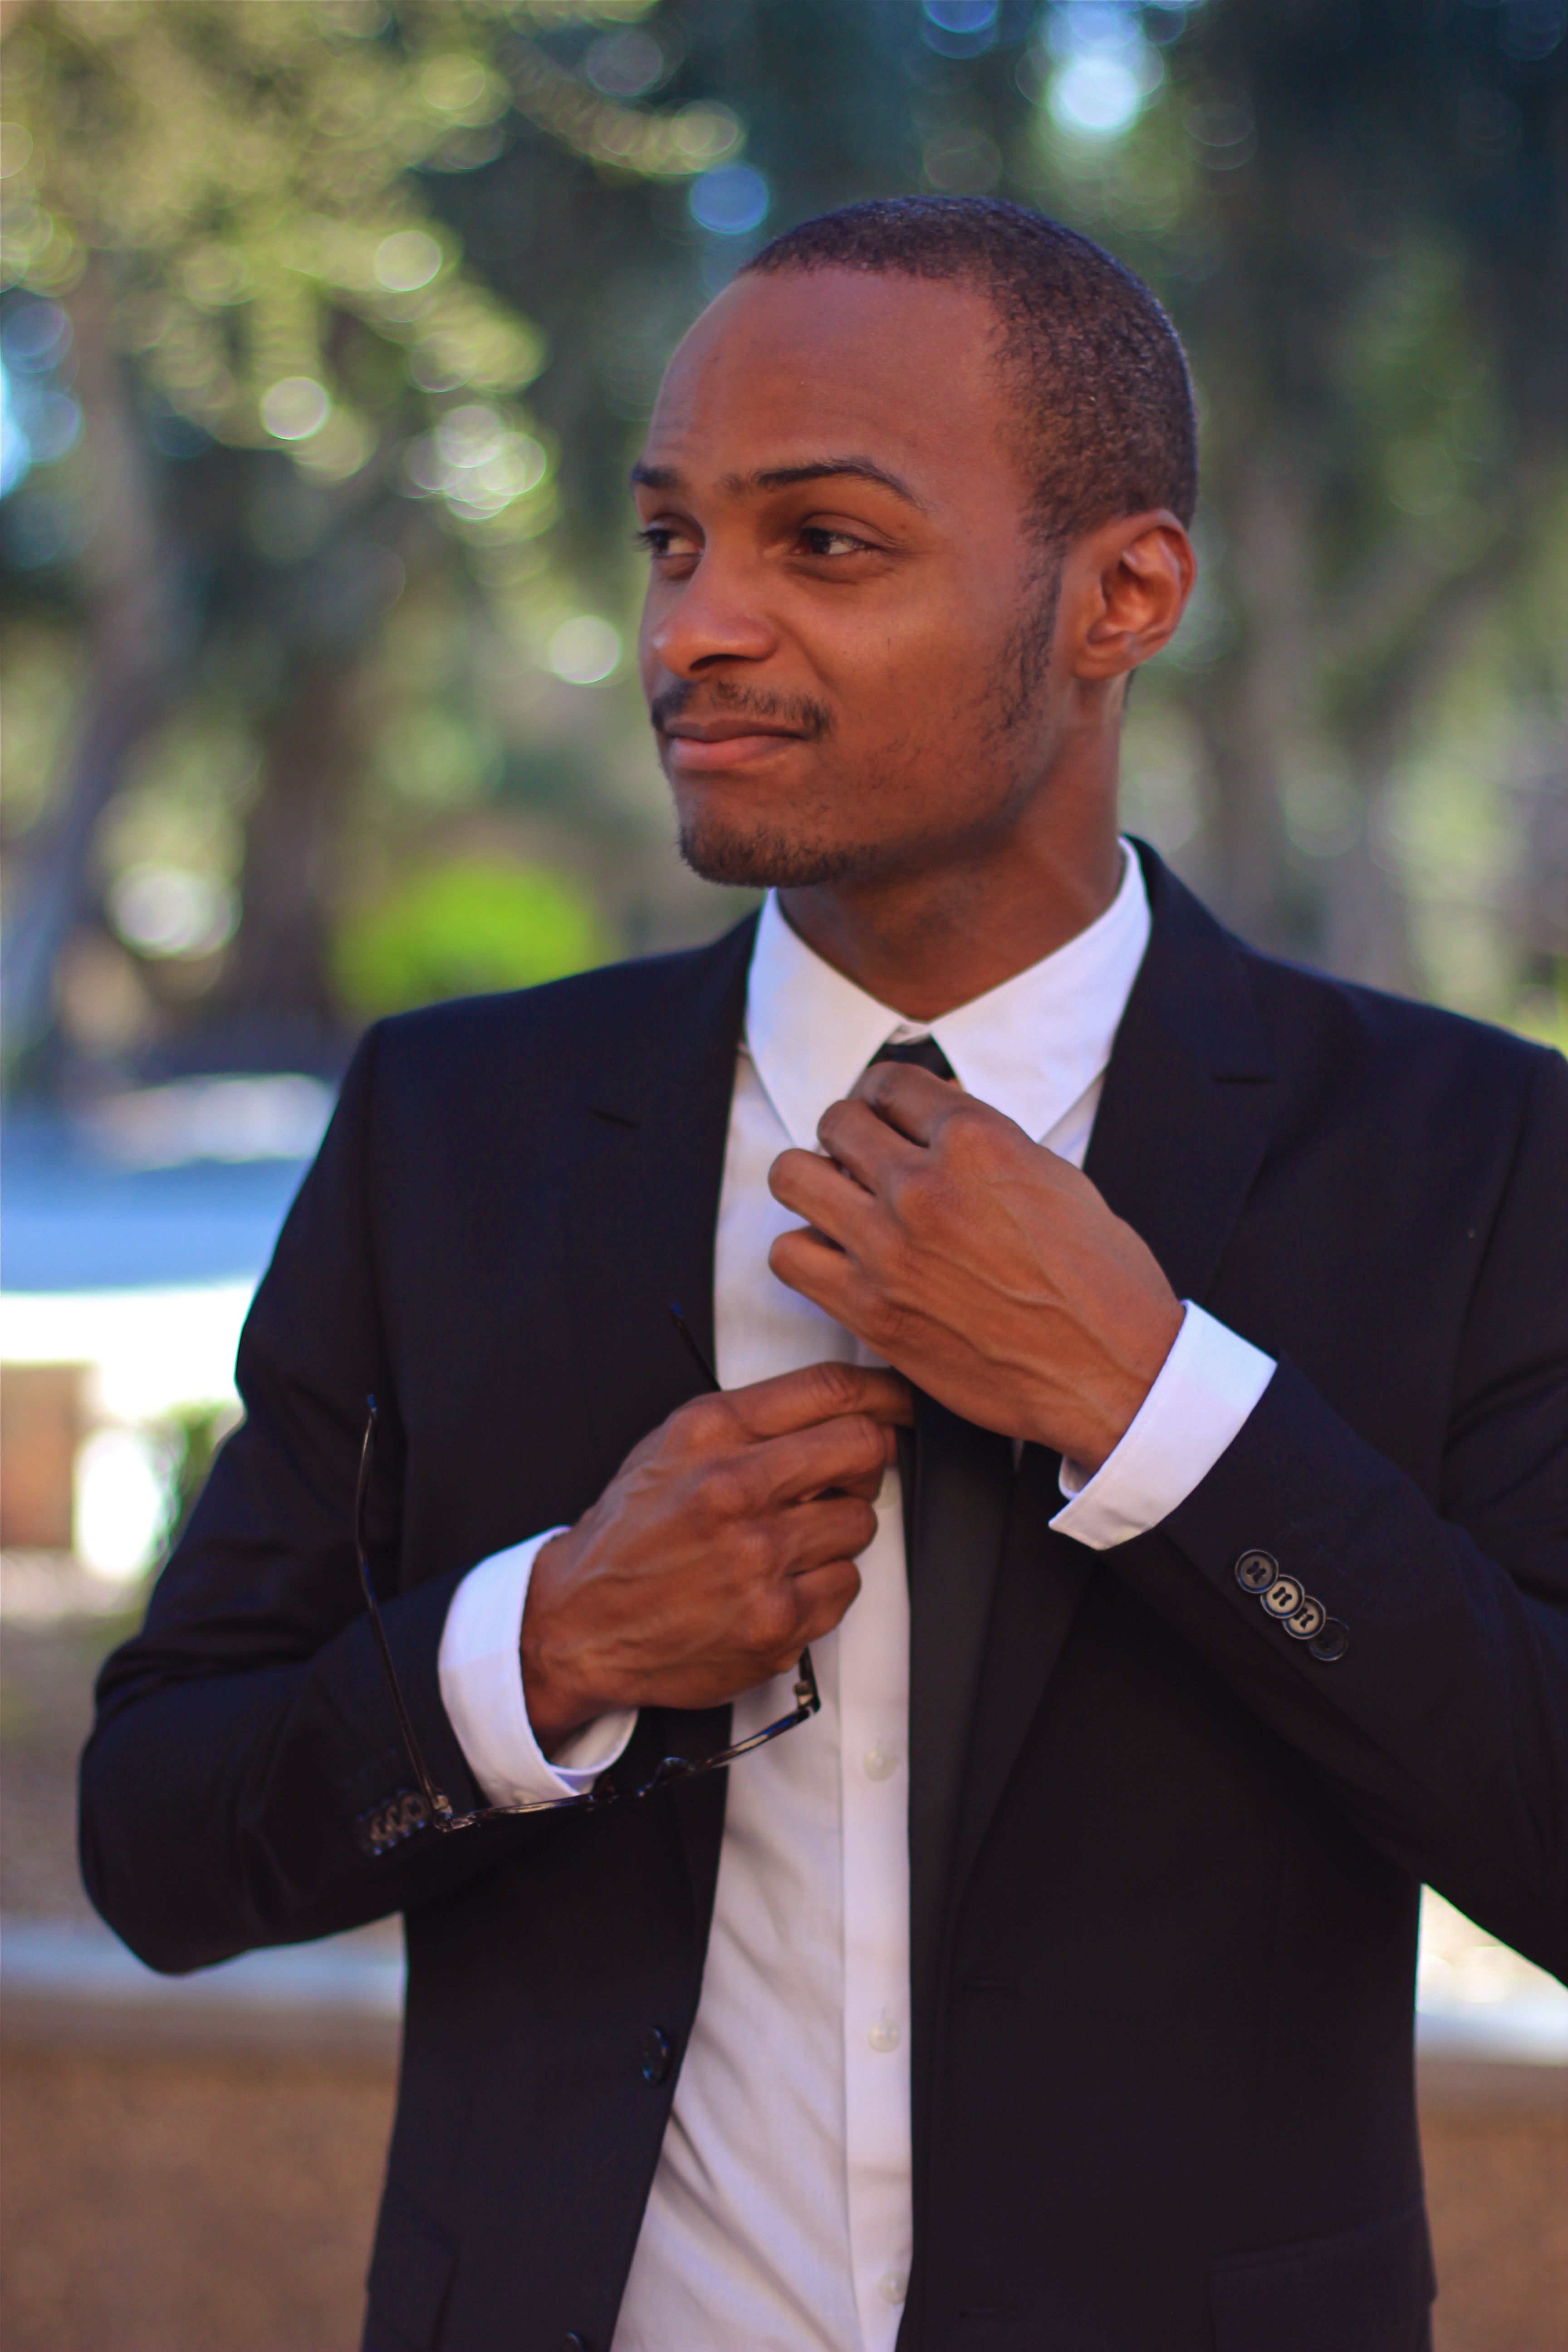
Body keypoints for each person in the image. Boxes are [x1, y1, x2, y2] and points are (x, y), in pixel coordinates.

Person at [81, 198, 1567, 2352]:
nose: (697, 628)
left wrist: (1163, 1410)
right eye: (671, 540)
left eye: (827, 543)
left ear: (1124, 595)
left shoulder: (1472, 1154)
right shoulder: (456, 1130)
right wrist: (551, 1641)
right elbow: (161, 1841)